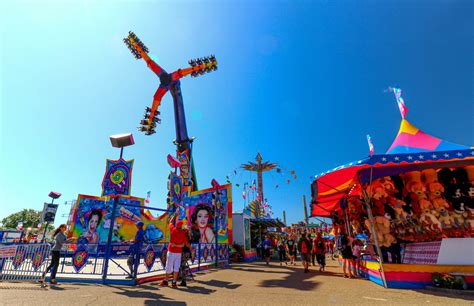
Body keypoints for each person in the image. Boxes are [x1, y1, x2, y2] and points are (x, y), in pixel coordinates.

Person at [160, 215, 188, 288]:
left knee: (168, 266)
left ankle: (166, 280)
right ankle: (174, 282)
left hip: (171, 251)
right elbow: (183, 245)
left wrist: (174, 215)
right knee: (176, 268)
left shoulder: (172, 229)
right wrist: (177, 246)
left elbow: (170, 222)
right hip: (178, 253)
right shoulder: (183, 233)